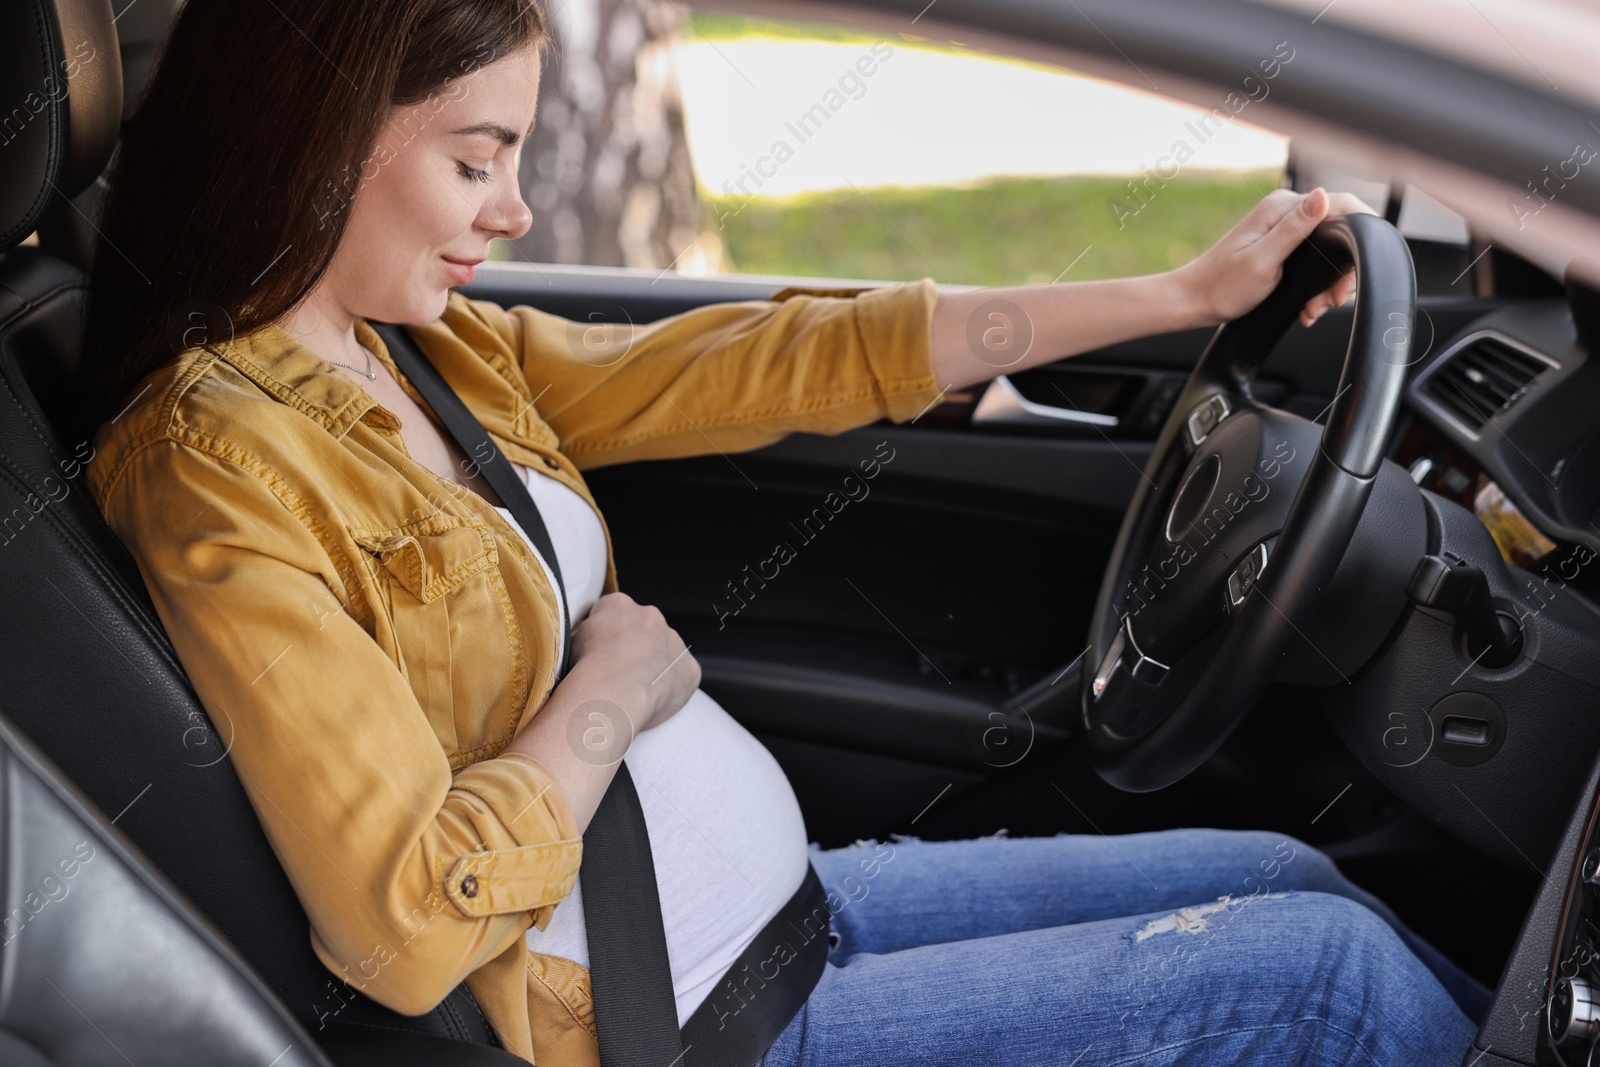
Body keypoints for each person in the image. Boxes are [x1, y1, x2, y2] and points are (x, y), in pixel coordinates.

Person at [75, 1, 1488, 1064]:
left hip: (787, 915)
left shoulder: (432, 353)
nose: (512, 209)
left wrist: (1179, 293)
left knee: (1287, 870)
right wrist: (609, 698)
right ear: (321, 147)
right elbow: (401, 922)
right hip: (676, 1017)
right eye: (476, 160)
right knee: (1332, 978)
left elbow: (783, 359)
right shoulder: (217, 465)